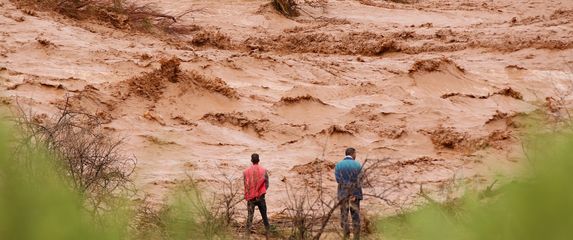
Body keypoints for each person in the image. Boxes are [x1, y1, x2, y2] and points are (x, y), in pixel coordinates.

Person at [335, 147, 363, 240]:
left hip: (343, 194)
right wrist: (353, 194)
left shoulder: (338, 165)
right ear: (353, 154)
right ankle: (356, 237)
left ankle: (346, 236)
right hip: (355, 194)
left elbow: (338, 180)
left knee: (344, 216)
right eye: (355, 154)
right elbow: (360, 180)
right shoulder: (357, 164)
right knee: (355, 217)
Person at [244, 153, 270, 236]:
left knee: (250, 217)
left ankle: (247, 235)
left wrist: (248, 195)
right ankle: (268, 234)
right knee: (264, 217)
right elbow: (267, 184)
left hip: (251, 198)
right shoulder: (264, 170)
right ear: (259, 160)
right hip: (261, 197)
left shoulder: (245, 172)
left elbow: (245, 185)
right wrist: (262, 192)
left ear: (251, 161)